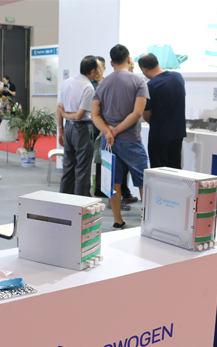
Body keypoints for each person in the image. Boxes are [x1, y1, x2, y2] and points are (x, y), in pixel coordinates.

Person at [92, 44, 149, 230]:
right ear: (129, 59)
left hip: (108, 142)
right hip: (131, 140)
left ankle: (117, 220)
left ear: (111, 63)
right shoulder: (139, 81)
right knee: (143, 181)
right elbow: (137, 113)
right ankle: (147, 220)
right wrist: (116, 130)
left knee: (113, 181)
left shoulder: (103, 83)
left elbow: (95, 115)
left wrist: (108, 131)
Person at [57, 55, 100, 196]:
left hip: (68, 128)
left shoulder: (67, 82)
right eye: (98, 68)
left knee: (68, 166)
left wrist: (61, 130)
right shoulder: (88, 87)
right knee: (82, 168)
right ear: (92, 71)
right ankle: (80, 201)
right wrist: (65, 115)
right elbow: (78, 115)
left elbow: (59, 108)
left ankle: (64, 199)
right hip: (82, 129)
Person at [138, 53, 186, 169]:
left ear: (144, 69)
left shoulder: (150, 86)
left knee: (159, 172)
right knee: (175, 170)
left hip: (159, 136)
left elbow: (146, 115)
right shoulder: (178, 77)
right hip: (177, 134)